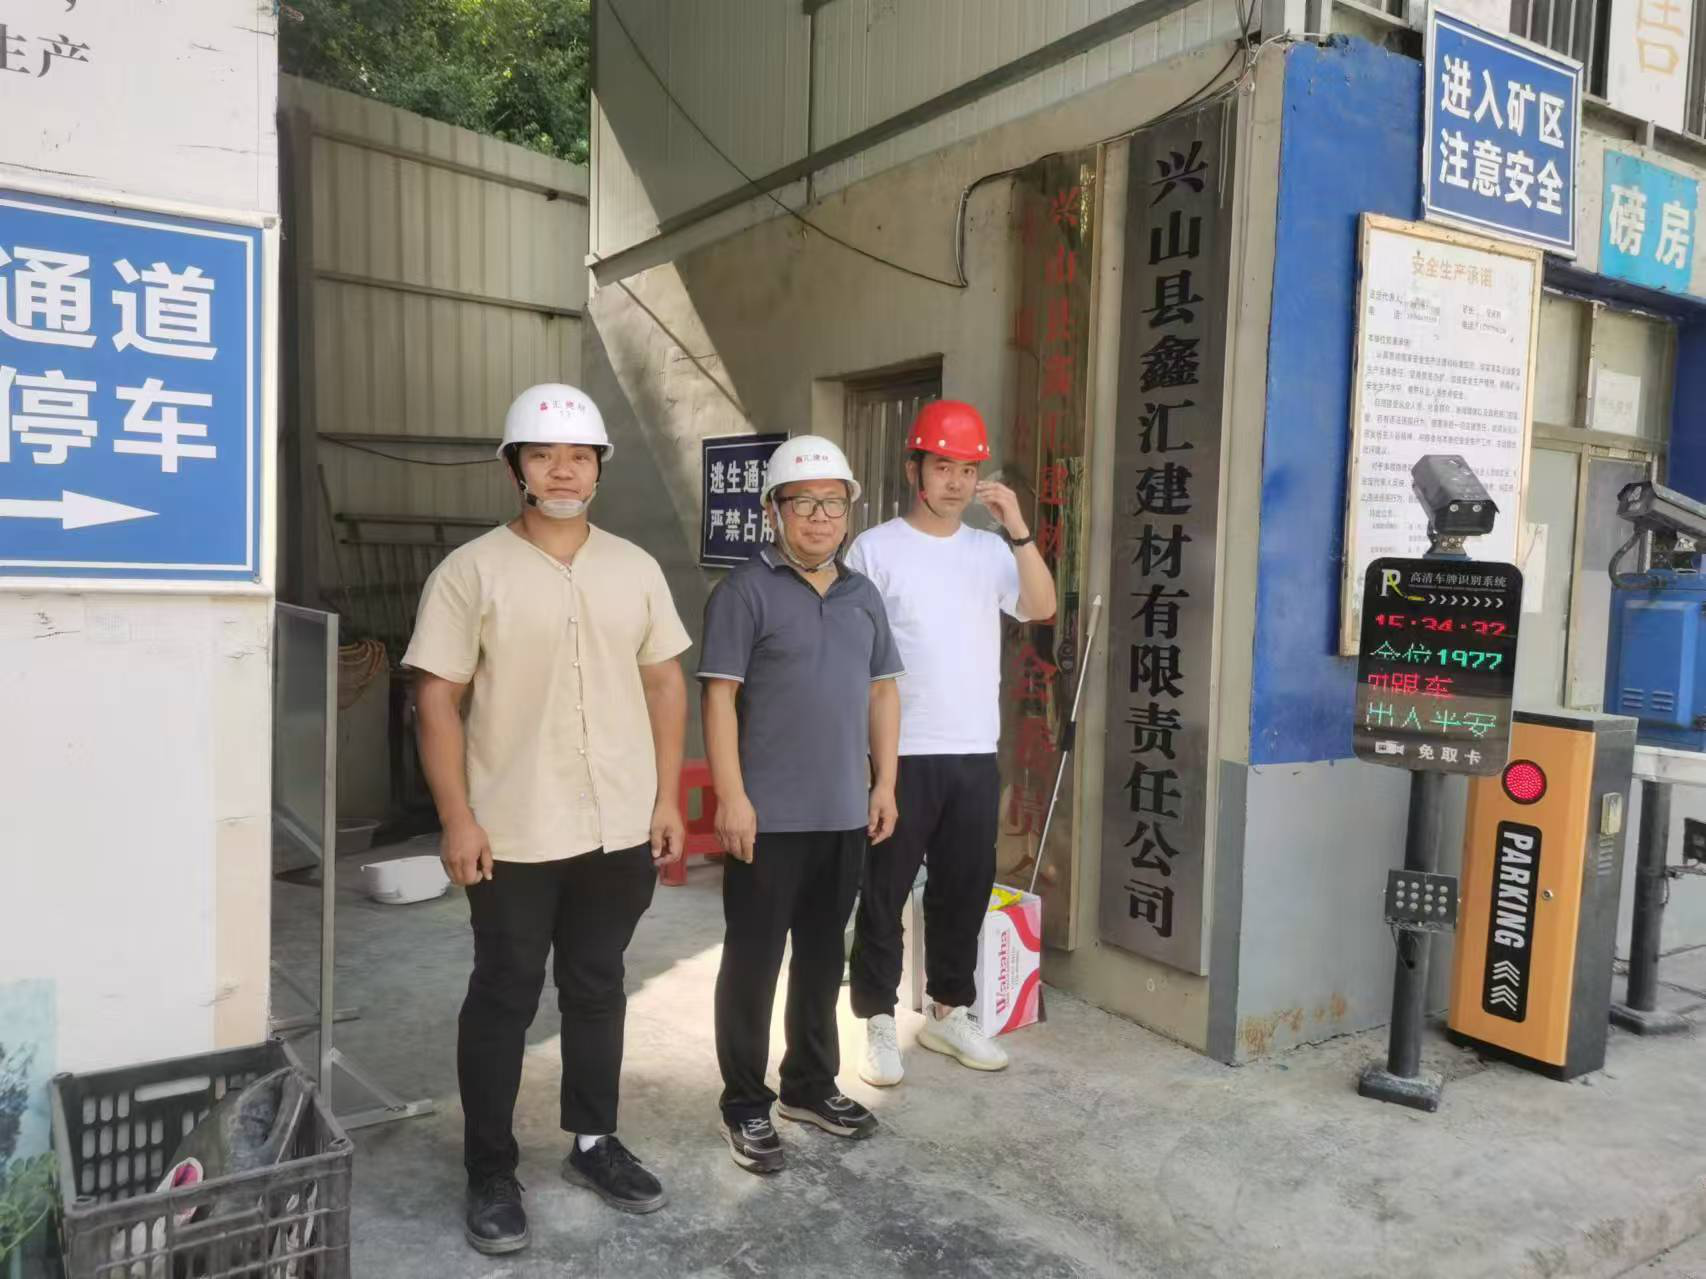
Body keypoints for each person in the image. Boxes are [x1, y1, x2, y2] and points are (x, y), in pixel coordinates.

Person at [404, 382, 692, 1255]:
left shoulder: (636, 568)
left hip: (618, 823)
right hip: (514, 827)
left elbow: (664, 682)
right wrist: (456, 817)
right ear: (516, 470)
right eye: (543, 455)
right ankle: (490, 1168)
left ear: (599, 469)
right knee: (505, 991)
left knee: (598, 983)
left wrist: (666, 797)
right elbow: (436, 699)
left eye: (578, 456)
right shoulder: (471, 572)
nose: (562, 470)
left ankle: (594, 1142)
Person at [698, 434, 903, 1174]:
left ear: (848, 511)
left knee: (821, 958)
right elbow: (719, 699)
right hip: (767, 818)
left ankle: (809, 1086)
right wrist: (732, 797)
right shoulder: (743, 592)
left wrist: (885, 783)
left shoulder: (862, 595)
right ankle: (745, 1103)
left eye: (833, 503)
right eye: (803, 502)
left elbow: (883, 692)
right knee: (753, 963)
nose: (820, 516)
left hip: (844, 812)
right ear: (773, 511)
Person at [845, 399, 1057, 1086]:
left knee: (962, 889)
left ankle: (949, 1010)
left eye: (968, 469)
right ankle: (878, 1019)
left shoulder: (990, 550)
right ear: (915, 469)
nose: (957, 482)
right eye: (943, 466)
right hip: (900, 751)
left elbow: (1043, 606)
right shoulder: (875, 549)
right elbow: (855, 655)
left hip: (972, 746)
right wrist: (868, 760)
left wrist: (1018, 529)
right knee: (884, 890)